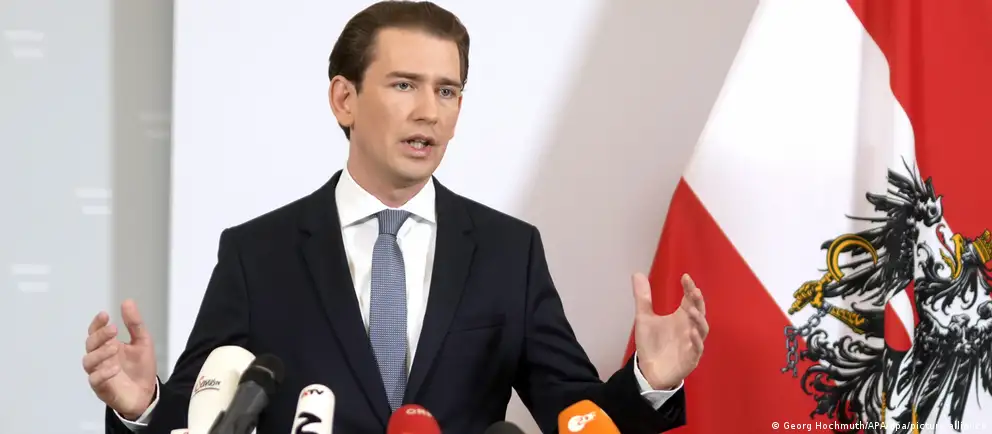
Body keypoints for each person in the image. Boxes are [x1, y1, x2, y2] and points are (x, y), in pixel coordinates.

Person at [82, 1, 710, 433]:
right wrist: (144, 406)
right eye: (405, 85)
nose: (430, 112)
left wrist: (647, 380)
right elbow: (203, 419)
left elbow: (578, 418)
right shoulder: (258, 254)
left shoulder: (507, 252)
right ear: (345, 98)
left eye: (447, 90)